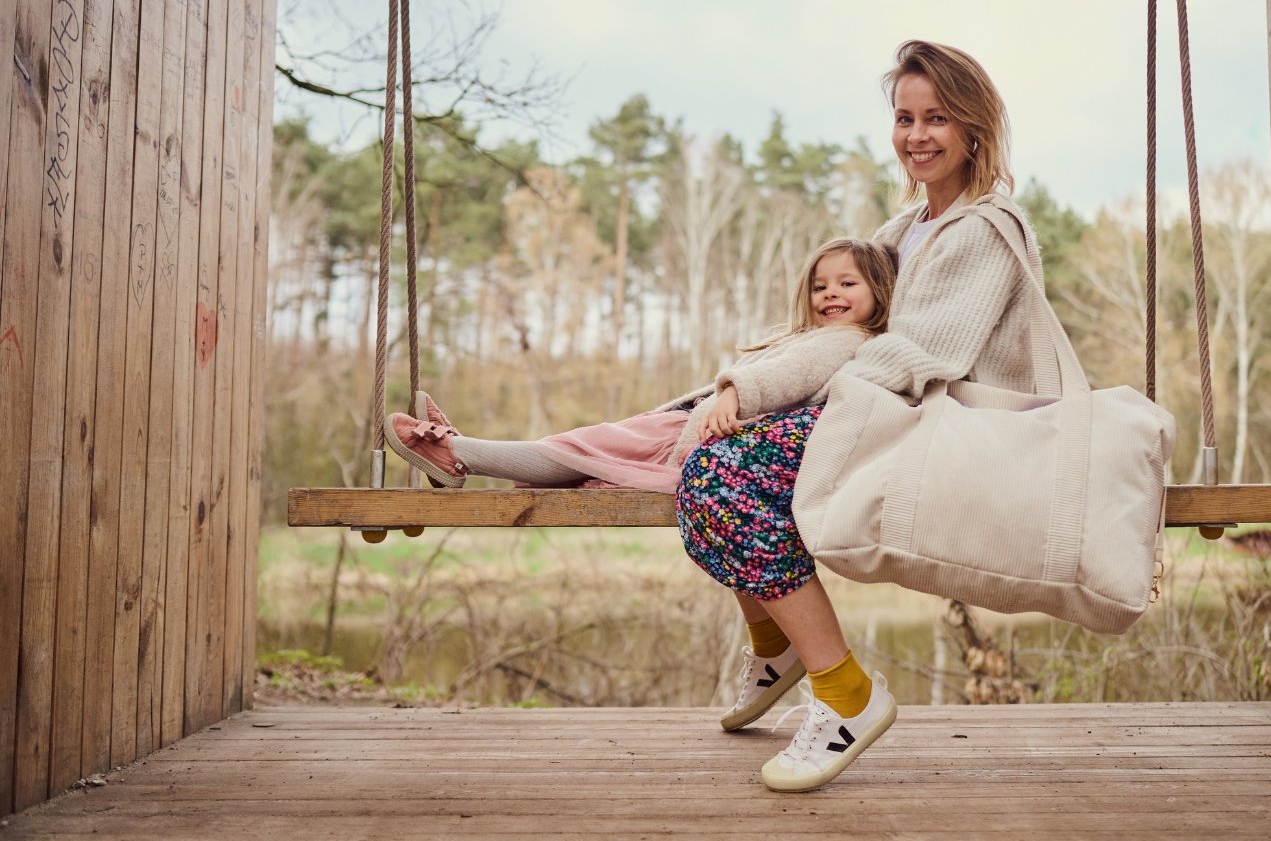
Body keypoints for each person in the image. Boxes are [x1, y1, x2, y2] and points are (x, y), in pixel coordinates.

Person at [676, 38, 1036, 793]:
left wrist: (791, 401)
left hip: (940, 420)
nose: (917, 136)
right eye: (905, 118)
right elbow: (837, 334)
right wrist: (743, 387)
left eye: (937, 118)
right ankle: (775, 646)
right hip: (880, 409)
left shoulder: (988, 229)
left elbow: (917, 352)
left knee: (728, 480)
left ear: (975, 128)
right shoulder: (901, 233)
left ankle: (847, 696)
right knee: (706, 465)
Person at [382, 236, 899, 498]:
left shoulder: (842, 342)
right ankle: (463, 453)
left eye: (847, 283)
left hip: (694, 436)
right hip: (687, 428)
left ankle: (457, 453)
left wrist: (733, 394)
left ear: (879, 291)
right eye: (820, 285)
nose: (830, 293)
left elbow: (782, 379)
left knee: (577, 449)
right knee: (581, 450)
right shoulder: (821, 337)